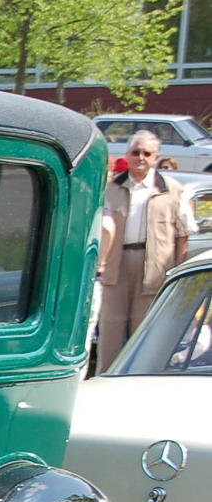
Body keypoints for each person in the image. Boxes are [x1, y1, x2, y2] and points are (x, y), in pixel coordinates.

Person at [97, 129, 194, 373]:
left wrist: (177, 270)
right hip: (115, 266)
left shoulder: (172, 190)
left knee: (144, 331)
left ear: (156, 157)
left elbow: (184, 234)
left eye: (147, 153)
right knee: (110, 329)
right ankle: (106, 379)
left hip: (154, 268)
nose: (141, 157)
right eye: (135, 152)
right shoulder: (110, 189)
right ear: (127, 155)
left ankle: (140, 378)